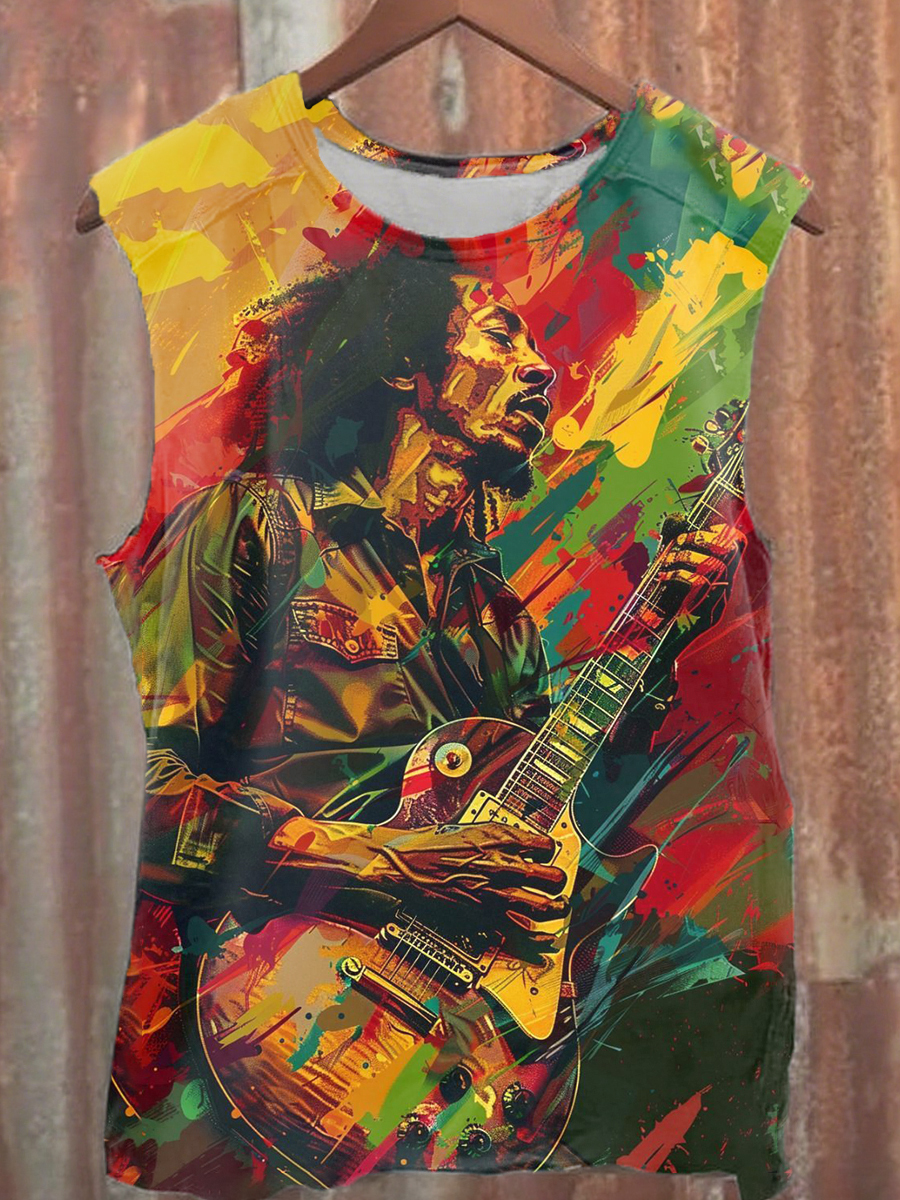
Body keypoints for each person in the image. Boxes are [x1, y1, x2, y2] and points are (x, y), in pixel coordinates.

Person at [122, 248, 744, 945]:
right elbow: (123, 785)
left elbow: (552, 826)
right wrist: (377, 861)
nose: (542, 369)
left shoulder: (501, 620)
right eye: (502, 336)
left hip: (442, 1005)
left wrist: (656, 644)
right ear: (402, 363)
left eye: (535, 349)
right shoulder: (258, 525)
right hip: (267, 976)